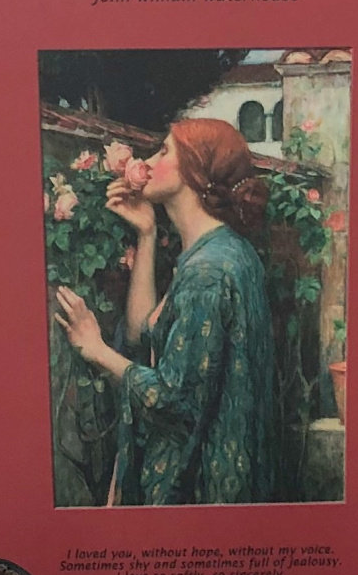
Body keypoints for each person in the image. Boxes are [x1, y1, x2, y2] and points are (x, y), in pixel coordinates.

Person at [54, 118, 282, 505]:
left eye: (163, 152)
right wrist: (147, 235)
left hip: (200, 490)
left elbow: (174, 400)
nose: (146, 162)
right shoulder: (219, 251)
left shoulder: (208, 271)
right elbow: (143, 335)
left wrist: (96, 349)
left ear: (195, 171)